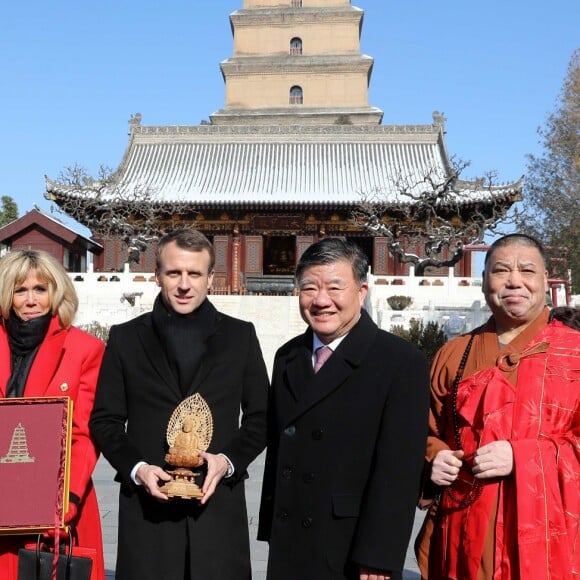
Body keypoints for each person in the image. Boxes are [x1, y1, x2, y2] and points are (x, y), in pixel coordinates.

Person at [89, 229, 269, 580]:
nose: (184, 284)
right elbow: (105, 420)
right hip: (148, 512)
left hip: (217, 506)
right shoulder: (126, 338)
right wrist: (138, 468)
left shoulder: (240, 336)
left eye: (194, 274)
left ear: (210, 278)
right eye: (174, 273)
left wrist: (228, 461)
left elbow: (261, 417)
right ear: (158, 275)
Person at [258, 237, 430, 580]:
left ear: (362, 291)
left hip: (353, 547)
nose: (321, 301)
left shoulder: (399, 361)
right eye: (309, 288)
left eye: (335, 287)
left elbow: (399, 470)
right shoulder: (288, 356)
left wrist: (379, 556)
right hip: (291, 538)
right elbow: (280, 451)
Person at [416, 233, 579, 579]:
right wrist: (435, 456)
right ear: (484, 281)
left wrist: (522, 457)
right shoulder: (454, 354)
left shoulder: (574, 354)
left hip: (550, 538)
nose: (514, 281)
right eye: (501, 270)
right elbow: (425, 431)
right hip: (464, 532)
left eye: (527, 271)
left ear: (546, 281)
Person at [0, 249, 105, 580]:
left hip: (57, 505)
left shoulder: (85, 350)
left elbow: (84, 433)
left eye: (40, 289)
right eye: (20, 290)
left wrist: (65, 500)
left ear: (56, 292)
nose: (31, 300)